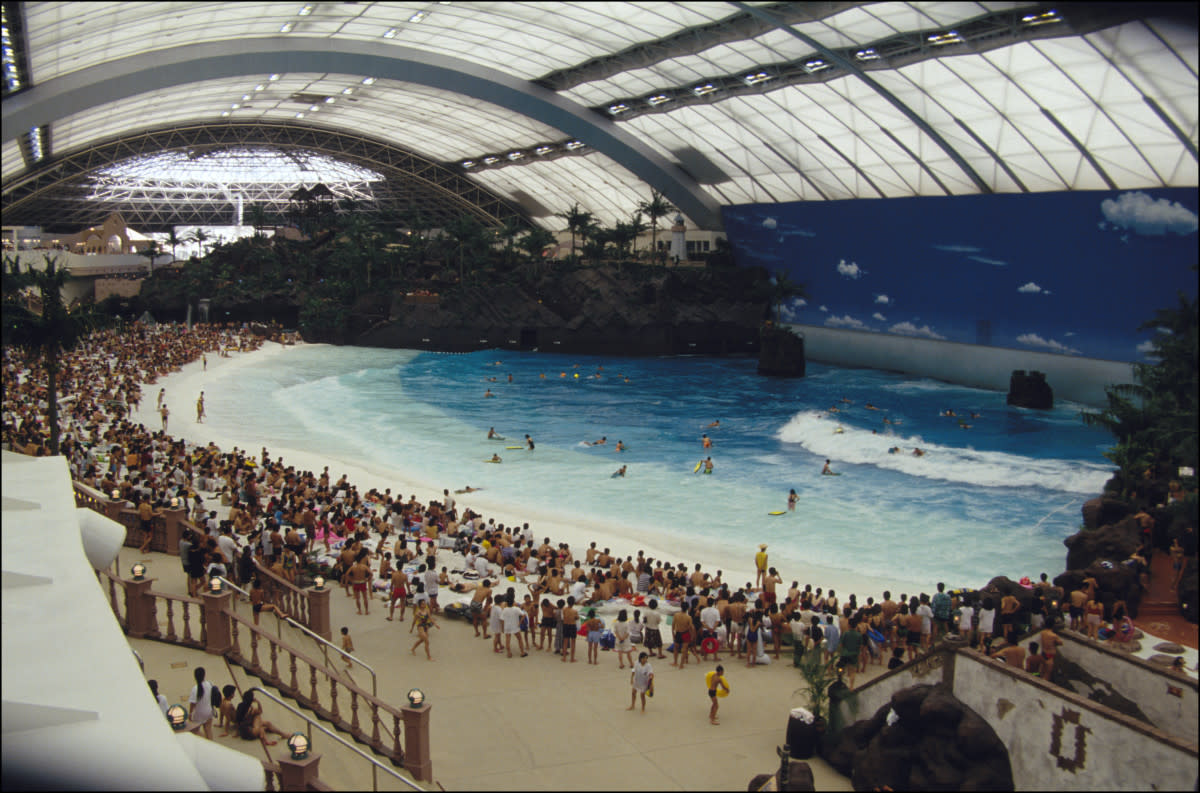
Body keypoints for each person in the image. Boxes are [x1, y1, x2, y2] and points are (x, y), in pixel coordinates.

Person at [187, 666, 216, 740]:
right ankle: (211, 743)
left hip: (199, 714)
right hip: (209, 711)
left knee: (195, 731)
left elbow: (192, 704)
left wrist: (190, 713)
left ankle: (205, 741)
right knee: (208, 730)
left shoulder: (195, 689)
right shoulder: (210, 684)